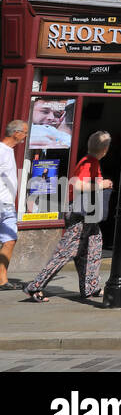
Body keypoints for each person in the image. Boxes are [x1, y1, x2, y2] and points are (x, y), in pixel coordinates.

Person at [25, 130, 113, 302]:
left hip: (88, 214)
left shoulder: (89, 161)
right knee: (65, 252)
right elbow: (79, 185)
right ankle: (35, 286)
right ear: (105, 149)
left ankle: (91, 286)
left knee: (92, 247)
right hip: (80, 214)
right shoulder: (89, 162)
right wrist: (102, 184)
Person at [0, 120, 28, 291]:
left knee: (10, 240)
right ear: (15, 133)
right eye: (24, 132)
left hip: (7, 205)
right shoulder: (1, 150)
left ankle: (2, 280)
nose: (25, 136)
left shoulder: (9, 151)